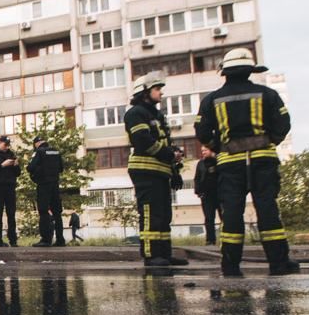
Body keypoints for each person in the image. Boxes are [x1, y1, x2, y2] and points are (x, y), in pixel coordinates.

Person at [195, 48, 299, 277]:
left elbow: (202, 131)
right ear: (250, 70)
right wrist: (269, 140)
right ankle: (279, 263)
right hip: (263, 160)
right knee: (268, 210)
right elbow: (283, 124)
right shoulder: (268, 94)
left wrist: (219, 146)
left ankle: (230, 266)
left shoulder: (211, 99)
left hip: (230, 163)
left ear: (225, 72)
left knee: (231, 213)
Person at [124, 72, 187, 268]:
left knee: (163, 215)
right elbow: (143, 141)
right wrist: (169, 154)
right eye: (157, 89)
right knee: (150, 213)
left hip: (161, 172)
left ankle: (164, 254)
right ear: (144, 92)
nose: (161, 93)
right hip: (144, 171)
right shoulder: (135, 113)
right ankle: (151, 255)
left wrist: (174, 167)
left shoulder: (158, 115)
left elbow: (164, 143)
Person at [27, 136, 65, 247]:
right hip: (55, 184)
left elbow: (30, 167)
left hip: (43, 185)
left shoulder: (39, 152)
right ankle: (60, 239)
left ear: (37, 143)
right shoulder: (56, 151)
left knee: (43, 211)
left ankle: (46, 239)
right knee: (57, 212)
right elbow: (61, 168)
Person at [193, 146, 220, 245]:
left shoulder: (218, 161)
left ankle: (227, 239)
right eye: (202, 151)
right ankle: (210, 240)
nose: (203, 152)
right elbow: (197, 178)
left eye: (205, 150)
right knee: (209, 218)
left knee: (224, 216)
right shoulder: (201, 163)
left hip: (220, 194)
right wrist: (198, 191)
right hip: (207, 195)